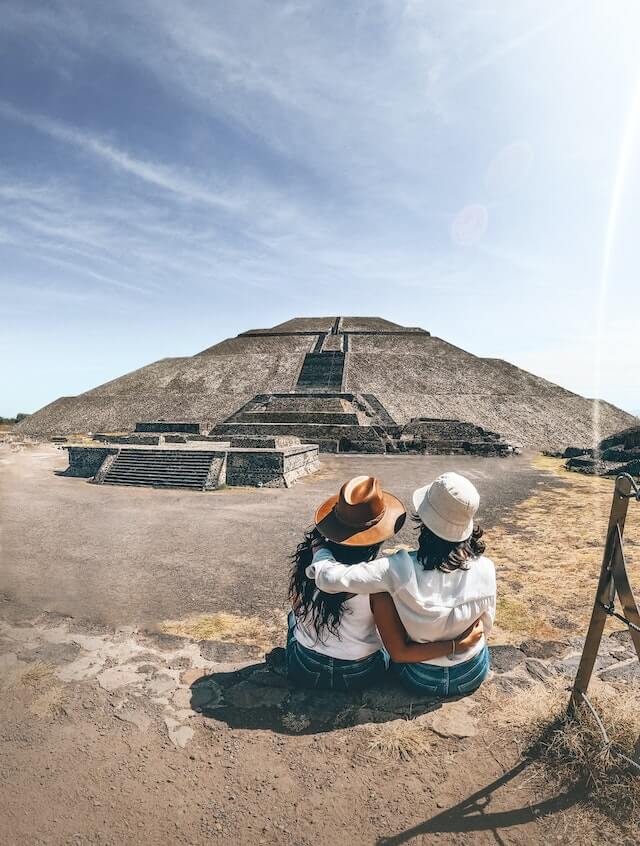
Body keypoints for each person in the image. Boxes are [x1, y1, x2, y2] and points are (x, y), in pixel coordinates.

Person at [306, 472, 496, 698]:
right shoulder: (486, 569)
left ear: (424, 521)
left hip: (421, 677)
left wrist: (320, 550)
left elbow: (329, 579)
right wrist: (457, 645)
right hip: (469, 672)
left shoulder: (397, 567)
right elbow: (486, 626)